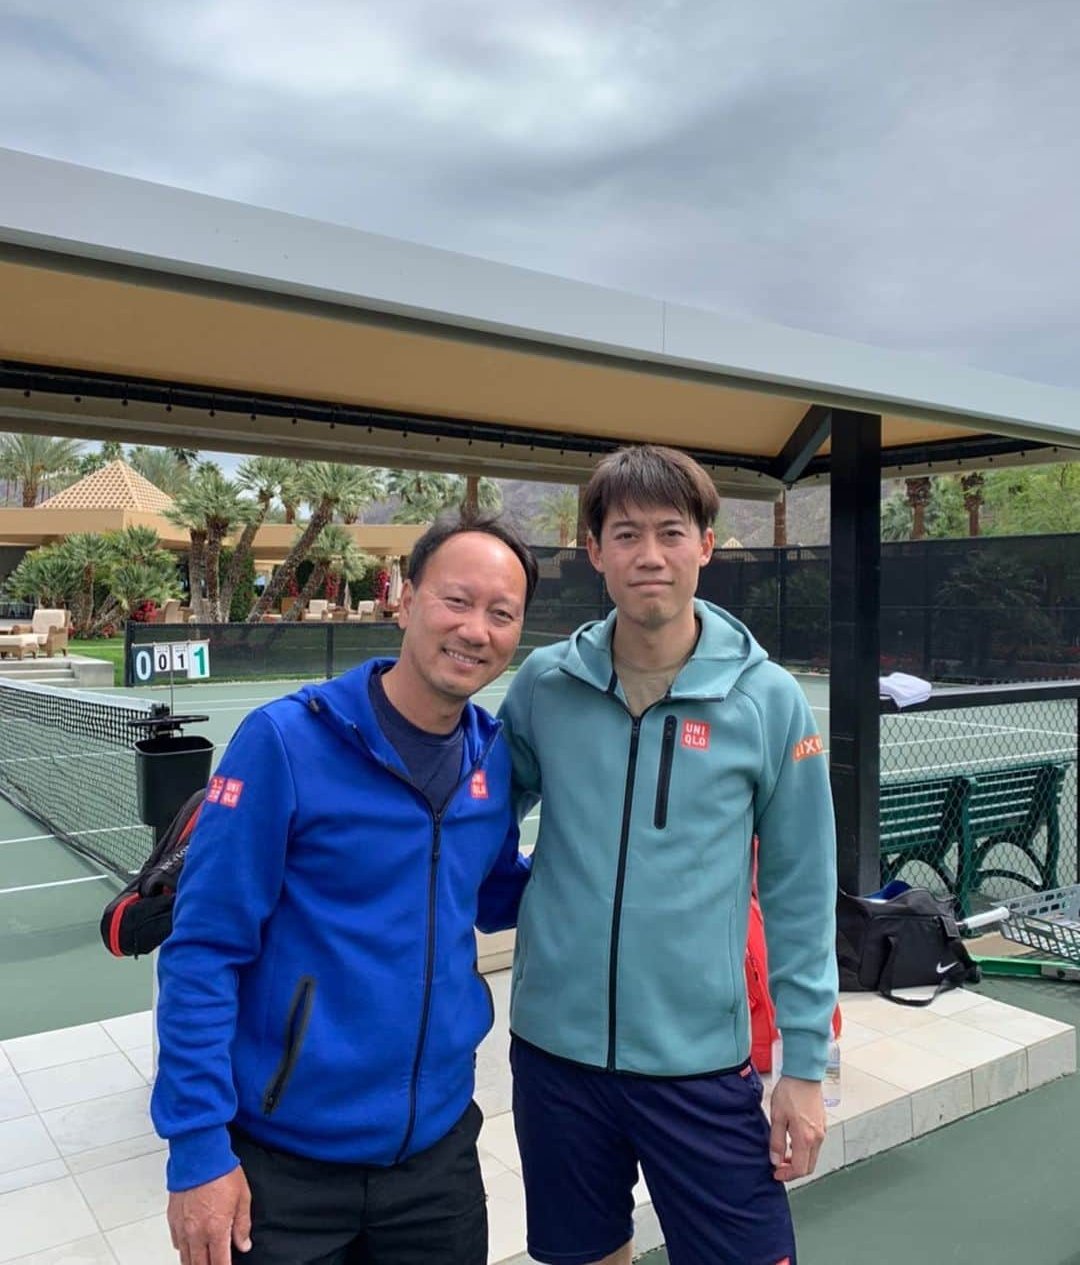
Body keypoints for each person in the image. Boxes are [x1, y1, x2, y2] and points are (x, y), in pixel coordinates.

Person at [153, 510, 538, 1265]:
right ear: (405, 599)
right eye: (456, 601)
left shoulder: (492, 763)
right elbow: (202, 951)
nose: (475, 630)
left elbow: (494, 894)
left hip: (437, 1163)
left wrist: (629, 875)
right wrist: (197, 1147)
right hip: (281, 1171)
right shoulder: (285, 742)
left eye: (502, 614)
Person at [499, 445, 838, 1265]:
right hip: (555, 1057)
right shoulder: (544, 685)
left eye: (670, 533)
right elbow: (474, 825)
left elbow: (801, 889)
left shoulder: (769, 701)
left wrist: (804, 1067)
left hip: (701, 1065)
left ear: (706, 545)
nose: (648, 556)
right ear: (594, 552)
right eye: (624, 535)